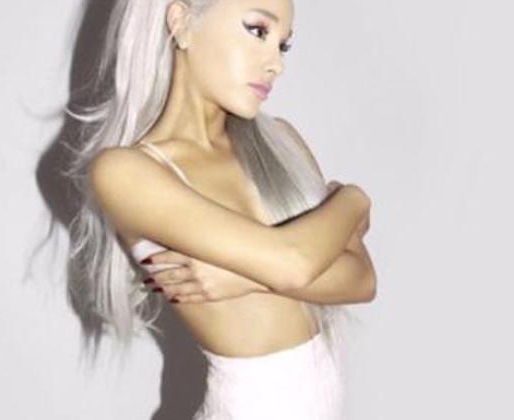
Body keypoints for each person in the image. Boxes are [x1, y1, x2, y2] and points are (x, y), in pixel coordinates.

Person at [63, 0, 376, 418]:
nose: (276, 64)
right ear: (181, 22)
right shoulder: (125, 171)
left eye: (283, 45)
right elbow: (295, 263)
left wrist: (238, 279)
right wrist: (354, 199)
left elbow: (362, 280)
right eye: (258, 31)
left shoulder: (281, 142)